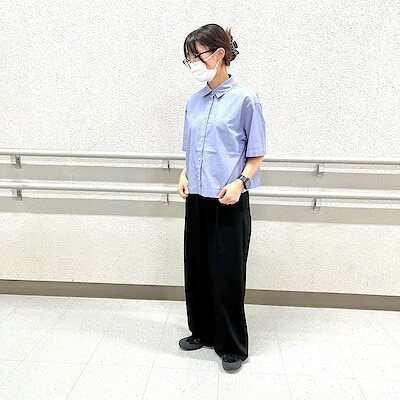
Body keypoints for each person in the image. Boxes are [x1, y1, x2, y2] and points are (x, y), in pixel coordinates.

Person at [177, 23, 266, 372]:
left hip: (228, 199)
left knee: (227, 273)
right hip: (197, 198)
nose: (193, 64)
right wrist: (184, 174)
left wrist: (241, 182)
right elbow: (189, 149)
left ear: (219, 54)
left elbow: (256, 153)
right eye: (188, 59)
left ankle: (231, 346)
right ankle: (202, 331)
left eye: (196, 56)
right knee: (197, 267)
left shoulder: (245, 99)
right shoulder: (194, 102)